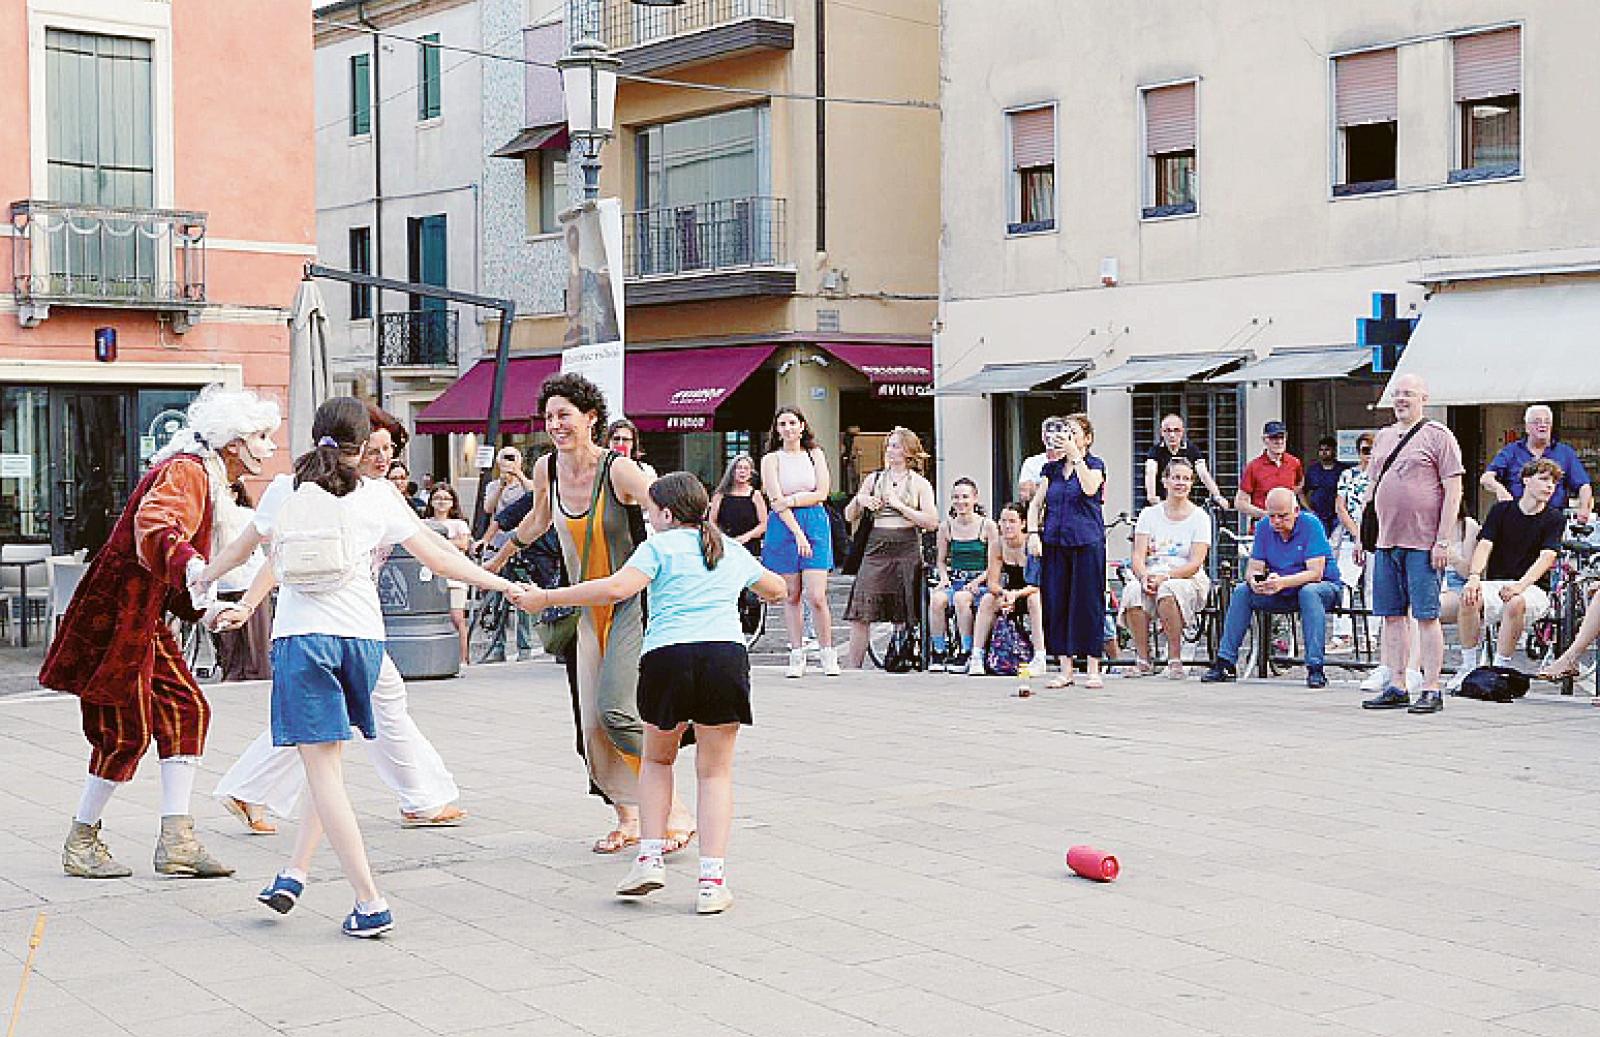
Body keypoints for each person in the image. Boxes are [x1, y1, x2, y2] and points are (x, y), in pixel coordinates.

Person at [211, 397, 520, 938]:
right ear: (362, 445)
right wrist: (499, 581)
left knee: (324, 769)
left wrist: (200, 580)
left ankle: (369, 900)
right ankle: (294, 872)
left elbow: (249, 553)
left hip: (305, 641)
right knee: (322, 764)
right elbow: (439, 558)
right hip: (364, 643)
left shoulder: (287, 487)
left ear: (314, 435)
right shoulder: (378, 494)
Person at [514, 473, 787, 914]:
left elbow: (617, 589)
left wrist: (547, 598)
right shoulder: (727, 549)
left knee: (658, 761)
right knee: (714, 773)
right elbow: (776, 589)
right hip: (724, 657)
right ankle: (711, 883)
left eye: (650, 512)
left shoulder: (657, 547)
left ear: (664, 513)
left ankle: (649, 860)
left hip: (668, 657)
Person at [41, 384, 280, 879]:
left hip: (139, 618)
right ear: (233, 442)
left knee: (184, 712)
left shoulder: (207, 477)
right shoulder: (188, 472)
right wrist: (192, 568)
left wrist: (204, 605)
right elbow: (156, 526)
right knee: (123, 734)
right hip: (118, 619)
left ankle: (177, 840)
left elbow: (173, 559)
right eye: (260, 436)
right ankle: (82, 841)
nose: (268, 447)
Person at [208, 404, 468, 834]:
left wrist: (216, 588)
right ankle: (417, 801)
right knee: (335, 719)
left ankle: (418, 797)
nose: (384, 458)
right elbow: (276, 559)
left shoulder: (317, 491)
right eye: (377, 449)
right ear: (359, 447)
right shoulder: (361, 495)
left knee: (358, 711)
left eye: (391, 451)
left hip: (334, 629)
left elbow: (264, 553)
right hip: (347, 630)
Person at [496, 373, 697, 853]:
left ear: (590, 418)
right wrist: (494, 561)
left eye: (564, 415)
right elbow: (539, 519)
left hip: (628, 601)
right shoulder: (546, 468)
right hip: (585, 605)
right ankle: (627, 817)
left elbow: (666, 508)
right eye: (549, 417)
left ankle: (676, 811)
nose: (555, 425)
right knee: (589, 724)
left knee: (615, 709)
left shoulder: (619, 470)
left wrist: (694, 556)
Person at [1359, 373, 1465, 715]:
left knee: (1426, 615)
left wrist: (1443, 540)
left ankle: (1432, 687)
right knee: (1391, 616)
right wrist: (1365, 536)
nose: (1402, 399)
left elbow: (1453, 491)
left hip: (1423, 542)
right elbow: (1372, 487)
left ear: (1424, 397)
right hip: (1387, 540)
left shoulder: (1439, 436)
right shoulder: (1385, 437)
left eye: (1409, 393)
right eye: (1398, 394)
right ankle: (1397, 683)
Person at [1200, 487, 1343, 689]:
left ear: (1296, 511)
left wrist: (1283, 582)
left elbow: (1315, 573)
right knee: (1242, 591)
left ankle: (1315, 667)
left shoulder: (1311, 524)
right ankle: (1225, 662)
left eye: (1283, 516)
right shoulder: (1264, 527)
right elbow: (1253, 568)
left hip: (1320, 588)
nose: (1276, 521)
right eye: (1272, 515)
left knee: (1309, 592)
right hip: (1281, 587)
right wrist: (1256, 581)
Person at [1449, 459, 1565, 689]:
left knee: (1515, 602)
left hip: (1532, 588)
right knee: (1469, 595)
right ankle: (1469, 666)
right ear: (1526, 481)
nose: (1549, 486)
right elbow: (1485, 545)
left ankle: (1500, 668)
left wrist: (1520, 586)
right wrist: (1474, 576)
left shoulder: (1554, 518)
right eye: (1543, 479)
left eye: (1553, 481)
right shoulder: (1501, 511)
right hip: (1497, 582)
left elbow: (1547, 557)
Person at [844, 428, 941, 669]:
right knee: (861, 610)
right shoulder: (874, 479)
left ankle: (899, 657)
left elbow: (931, 521)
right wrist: (861, 500)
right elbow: (848, 515)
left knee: (903, 610)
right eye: (888, 445)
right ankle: (852, 667)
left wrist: (900, 506)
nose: (890, 450)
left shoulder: (919, 484)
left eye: (896, 445)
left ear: (909, 451)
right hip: (876, 545)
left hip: (906, 544)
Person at [1026, 413, 1107, 688]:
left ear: (1087, 438)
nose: (1067, 437)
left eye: (1073, 432)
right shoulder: (1051, 469)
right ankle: (1065, 667)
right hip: (1056, 541)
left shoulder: (1095, 465)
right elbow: (1036, 504)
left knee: (1088, 603)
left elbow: (1090, 487)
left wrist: (1076, 457)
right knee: (1057, 602)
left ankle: (1093, 666)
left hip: (1087, 542)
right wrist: (1034, 533)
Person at [759, 407, 841, 678]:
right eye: (782, 423)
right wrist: (796, 532)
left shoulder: (814, 454)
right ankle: (797, 652)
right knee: (791, 594)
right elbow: (775, 498)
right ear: (777, 429)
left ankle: (827, 651)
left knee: (816, 595)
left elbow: (821, 492)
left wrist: (794, 500)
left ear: (802, 426)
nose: (788, 428)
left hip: (815, 520)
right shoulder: (771, 459)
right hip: (785, 525)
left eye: (793, 423)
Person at [1122, 458, 1212, 679]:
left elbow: (1196, 562)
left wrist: (1166, 577)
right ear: (1165, 481)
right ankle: (1143, 659)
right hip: (1152, 572)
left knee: (1168, 591)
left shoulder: (1200, 517)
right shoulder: (1148, 514)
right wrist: (1143, 576)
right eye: (1176, 478)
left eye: (1186, 479)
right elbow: (1138, 554)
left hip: (1186, 577)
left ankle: (1175, 659)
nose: (1180, 483)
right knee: (1133, 591)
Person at [966, 502, 1045, 676]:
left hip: (1032, 591)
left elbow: (1037, 583)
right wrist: (1004, 594)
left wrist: (1016, 595)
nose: (1007, 526)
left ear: (1023, 523)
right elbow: (992, 582)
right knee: (988, 599)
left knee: (1034, 598)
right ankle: (977, 655)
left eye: (1012, 521)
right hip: (1009, 592)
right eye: (1003, 521)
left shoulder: (1030, 544)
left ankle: (1040, 656)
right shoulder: (997, 545)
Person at [476, 446, 538, 661]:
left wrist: (518, 474)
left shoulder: (526, 483)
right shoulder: (494, 485)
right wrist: (502, 484)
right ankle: (497, 646)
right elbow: (489, 508)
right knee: (495, 597)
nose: (508, 461)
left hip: (522, 545)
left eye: (513, 458)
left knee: (522, 594)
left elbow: (535, 496)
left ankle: (525, 647)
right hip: (497, 544)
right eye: (504, 458)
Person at [1482, 404, 1593, 523]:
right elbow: (1486, 478)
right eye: (1537, 422)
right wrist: (1500, 490)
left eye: (1547, 422)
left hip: (1552, 520)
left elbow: (1584, 486)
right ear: (1527, 427)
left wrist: (1584, 508)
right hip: (1516, 519)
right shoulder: (1511, 451)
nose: (1543, 425)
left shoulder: (1565, 453)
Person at [930, 477, 997, 671]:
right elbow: (941, 560)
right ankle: (938, 650)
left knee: (961, 599)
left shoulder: (987, 526)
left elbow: (993, 563)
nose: (961, 502)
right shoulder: (946, 527)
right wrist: (943, 577)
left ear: (975, 498)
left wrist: (978, 581)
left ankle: (966, 650)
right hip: (956, 579)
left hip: (980, 581)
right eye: (956, 497)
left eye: (965, 497)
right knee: (937, 600)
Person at [215, 480, 273, 682]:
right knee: (230, 637)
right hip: (224, 584)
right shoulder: (215, 518)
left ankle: (249, 674)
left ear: (235, 494)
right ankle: (234, 672)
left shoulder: (244, 516)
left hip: (248, 582)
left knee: (252, 637)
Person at [425, 483, 474, 665]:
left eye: (446, 498)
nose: (441, 502)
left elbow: (463, 544)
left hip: (455, 575)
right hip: (431, 576)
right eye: (437, 498)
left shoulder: (459, 524)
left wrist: (439, 543)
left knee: (457, 617)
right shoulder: (425, 523)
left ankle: (463, 658)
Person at [1143, 414, 1225, 507]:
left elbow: (1203, 473)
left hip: (1186, 503)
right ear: (1162, 432)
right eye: (1168, 431)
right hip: (1162, 503)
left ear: (1182, 432)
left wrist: (1217, 496)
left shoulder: (1192, 450)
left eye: (1176, 430)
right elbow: (1150, 472)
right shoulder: (1155, 451)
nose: (1172, 435)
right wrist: (1152, 496)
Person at [1235, 421, 1305, 524]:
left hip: (1289, 525)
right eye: (1274, 438)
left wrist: (1288, 500)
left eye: (1282, 437)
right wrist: (1265, 514)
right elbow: (1240, 503)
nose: (1279, 442)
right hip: (1263, 524)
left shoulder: (1294, 463)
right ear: (1265, 440)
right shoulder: (1254, 467)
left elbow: (1300, 483)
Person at [710, 453, 768, 553]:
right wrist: (721, 537)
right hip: (725, 546)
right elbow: (711, 520)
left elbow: (764, 524)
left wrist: (747, 537)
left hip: (750, 547)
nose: (742, 471)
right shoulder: (720, 495)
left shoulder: (756, 495)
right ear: (732, 471)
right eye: (739, 468)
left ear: (751, 473)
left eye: (746, 468)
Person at [1017, 416, 1069, 504]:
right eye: (1047, 432)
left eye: (1055, 431)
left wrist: (1038, 486)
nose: (1050, 436)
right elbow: (1025, 495)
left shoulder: (1072, 461)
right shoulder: (1031, 463)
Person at [1303, 436, 1349, 536]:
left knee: (1336, 544)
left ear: (1334, 450)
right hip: (1318, 514)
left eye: (1327, 449)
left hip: (1338, 515)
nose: (1324, 452)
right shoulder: (1313, 470)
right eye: (1321, 450)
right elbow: (1302, 492)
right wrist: (1309, 510)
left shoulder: (1343, 470)